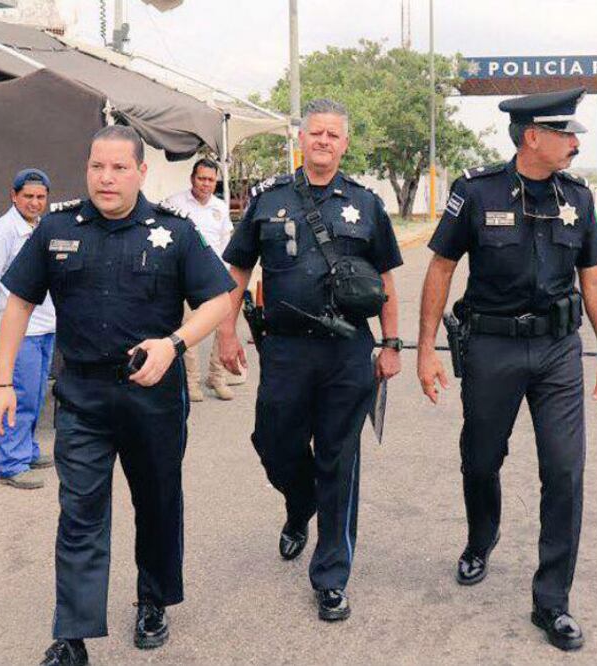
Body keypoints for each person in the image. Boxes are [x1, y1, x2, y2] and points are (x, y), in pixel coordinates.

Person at [0, 125, 235, 666]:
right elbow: (19, 305)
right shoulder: (56, 228)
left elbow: (221, 297)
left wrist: (175, 343)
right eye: (98, 166)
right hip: (83, 397)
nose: (106, 177)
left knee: (158, 502)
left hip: (154, 397)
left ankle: (153, 601)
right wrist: (2, 382)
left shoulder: (175, 232)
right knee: (79, 512)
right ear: (87, 169)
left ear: (141, 173)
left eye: (119, 167)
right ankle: (72, 635)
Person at [416, 87, 597, 651]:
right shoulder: (477, 192)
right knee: (481, 459)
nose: (576, 143)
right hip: (491, 346)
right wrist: (426, 349)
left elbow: (595, 279)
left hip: (558, 351)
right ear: (533, 137)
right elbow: (440, 268)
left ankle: (551, 600)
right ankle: (481, 537)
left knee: (564, 470)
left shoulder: (577, 197)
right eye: (566, 133)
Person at [218, 98, 403, 623]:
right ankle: (300, 506)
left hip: (347, 351)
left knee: (340, 461)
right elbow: (236, 271)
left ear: (345, 144)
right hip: (284, 349)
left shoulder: (366, 204)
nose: (323, 141)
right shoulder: (267, 199)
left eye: (333, 135)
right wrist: (226, 333)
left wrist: (390, 345)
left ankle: (331, 577)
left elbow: (387, 278)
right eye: (315, 133)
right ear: (300, 139)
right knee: (273, 443)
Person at [0, 168, 57, 489]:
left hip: (45, 325)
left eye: (40, 197)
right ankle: (12, 464)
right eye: (28, 197)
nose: (35, 203)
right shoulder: (2, 231)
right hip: (21, 331)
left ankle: (28, 449)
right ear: (13, 196)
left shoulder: (41, 227)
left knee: (36, 396)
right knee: (19, 396)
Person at [164, 158, 237, 401]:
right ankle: (192, 381)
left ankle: (217, 377)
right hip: (187, 278)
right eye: (201, 178)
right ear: (192, 179)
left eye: (211, 180)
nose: (206, 184)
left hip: (216, 278)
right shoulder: (175, 203)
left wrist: (227, 276)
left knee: (223, 329)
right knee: (190, 331)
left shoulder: (220, 207)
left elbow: (227, 243)